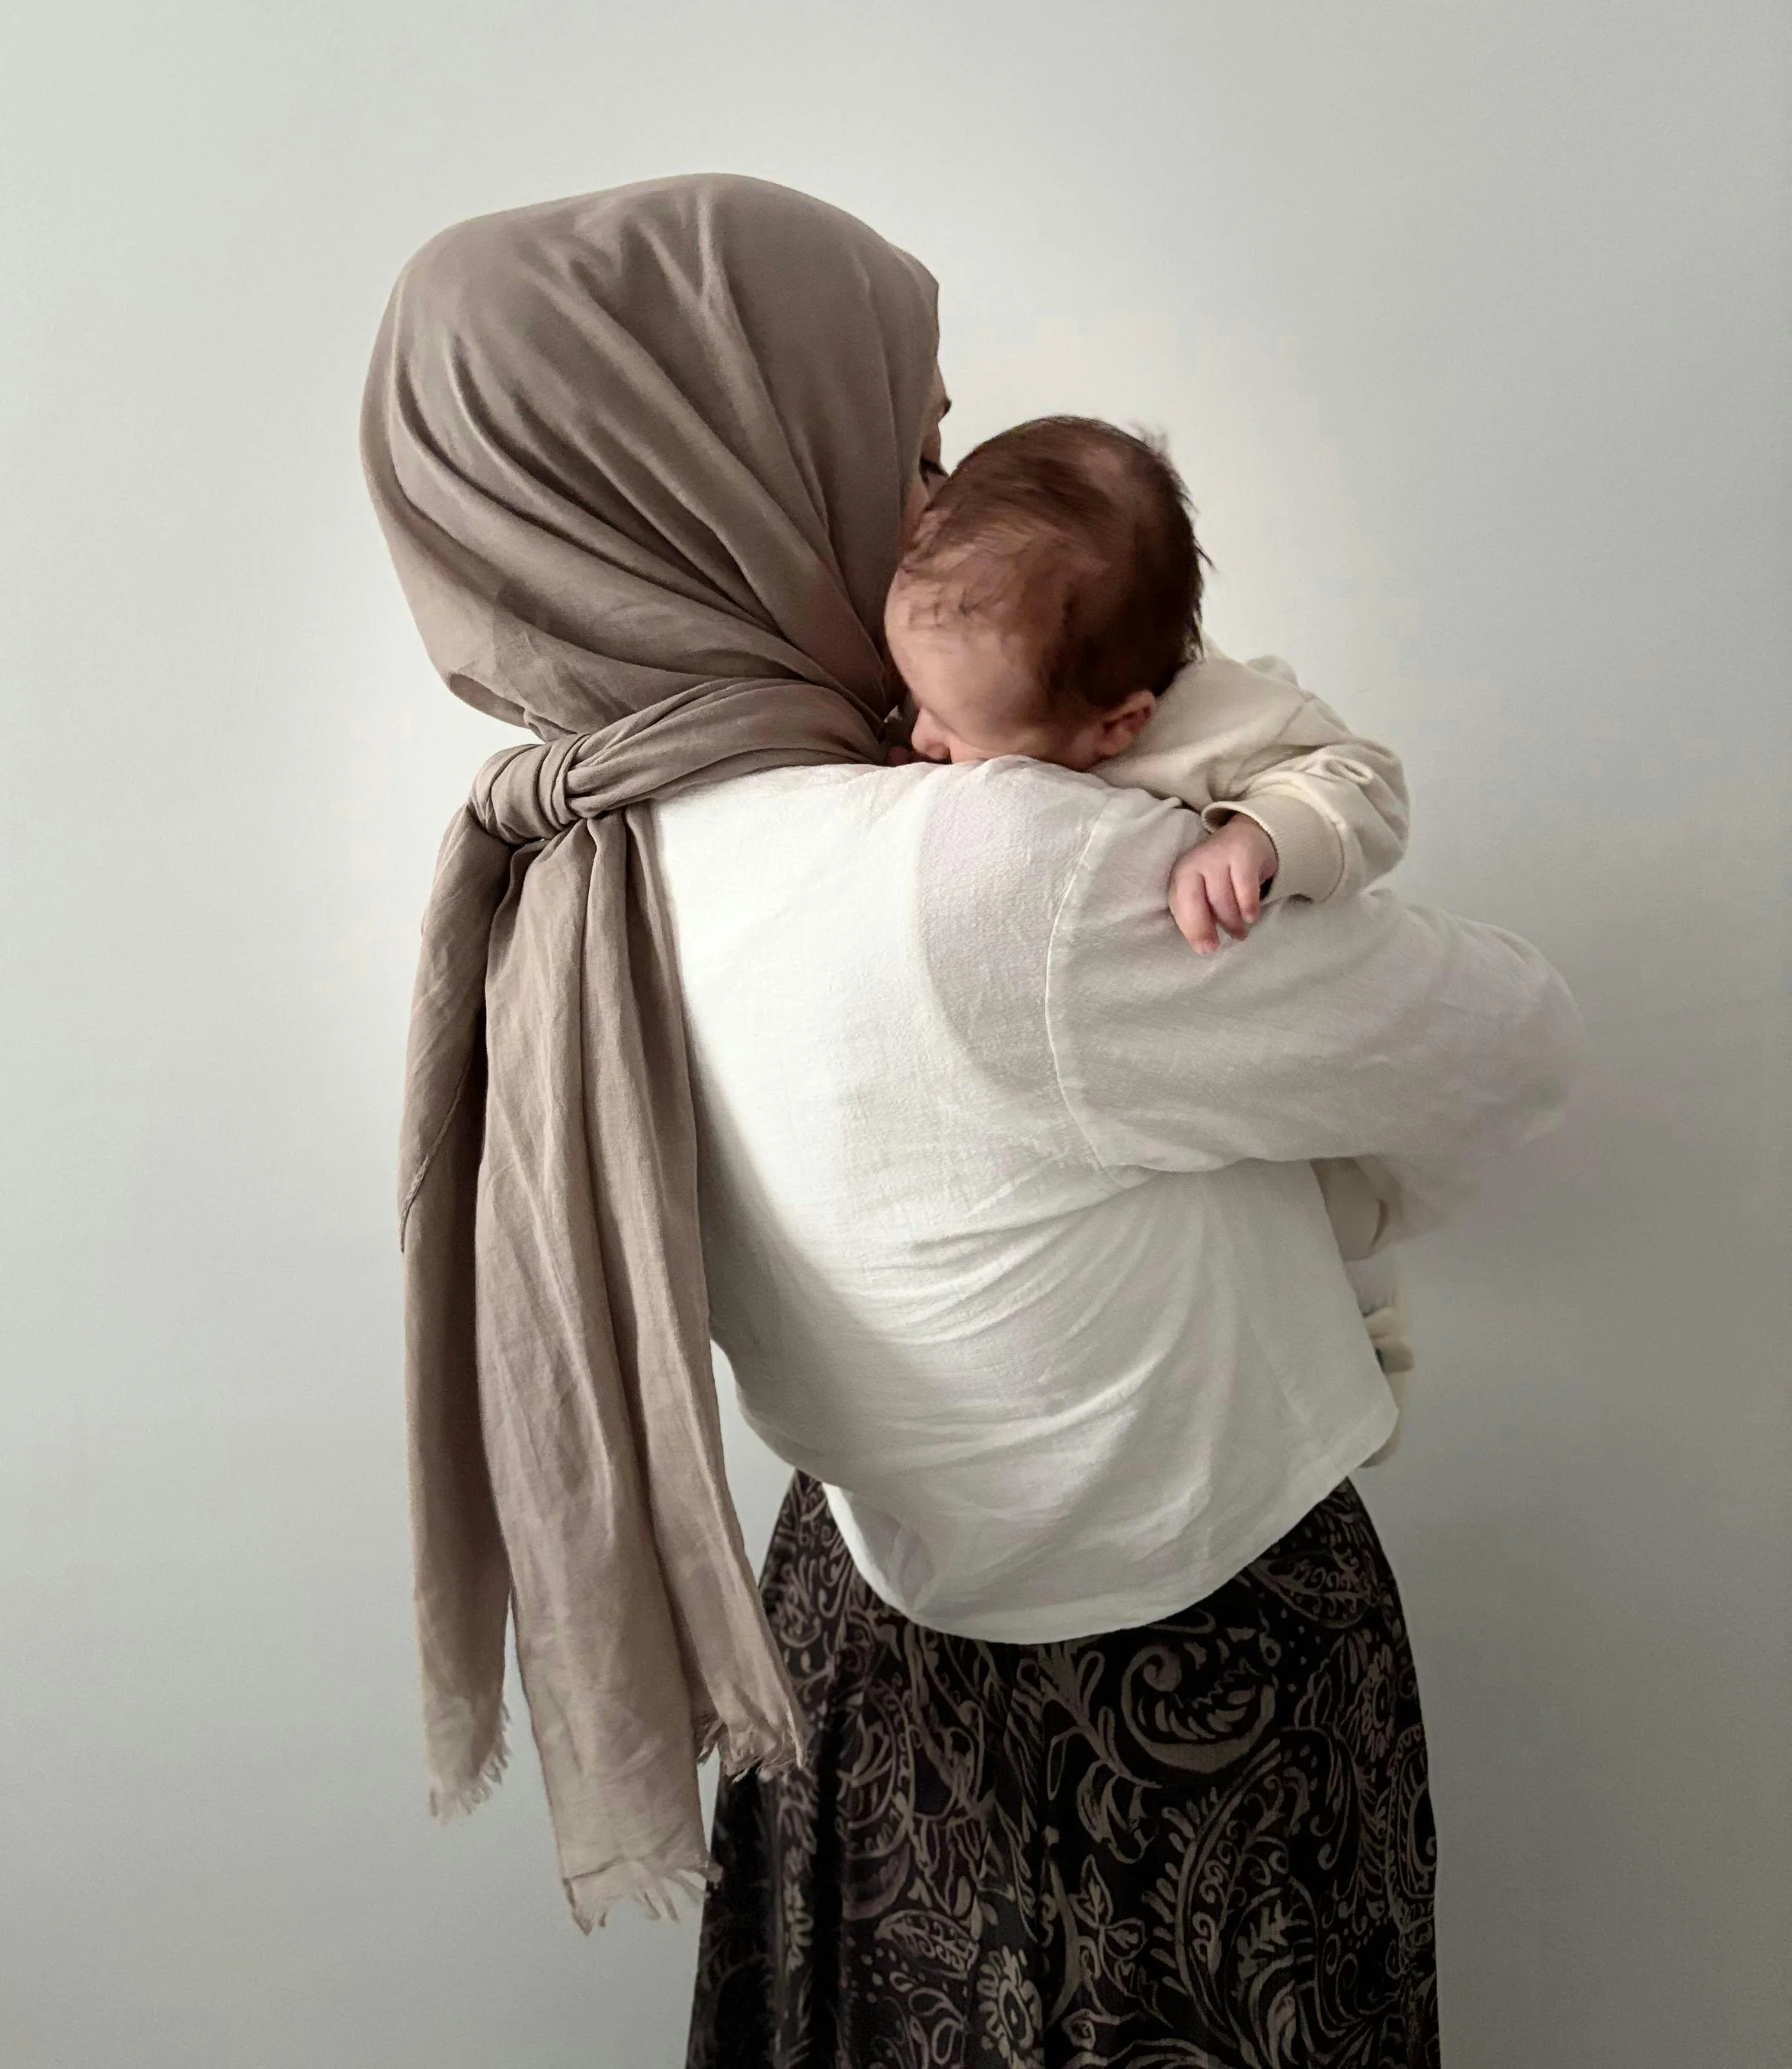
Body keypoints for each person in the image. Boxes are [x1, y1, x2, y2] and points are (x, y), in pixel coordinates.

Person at [362, 173, 1582, 2067]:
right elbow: (1505, 1037)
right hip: (1183, 1703)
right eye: (908, 448)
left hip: (854, 1671)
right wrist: (1210, 792)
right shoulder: (984, 869)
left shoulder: (582, 885)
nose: (937, 511)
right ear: (720, 467)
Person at [885, 411, 1422, 1454]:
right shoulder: (1001, 681)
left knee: (1330, 1221)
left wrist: (1262, 834)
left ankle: (1372, 1355)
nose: (920, 737)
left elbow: (1366, 780)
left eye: (952, 724)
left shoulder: (1226, 717)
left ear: (1119, 726)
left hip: (1278, 1062)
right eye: (914, 700)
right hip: (1146, 1089)